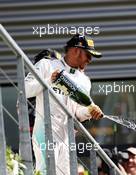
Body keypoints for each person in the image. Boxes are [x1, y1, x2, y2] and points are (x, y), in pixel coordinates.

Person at [25, 34, 104, 175]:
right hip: (44, 130)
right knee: (45, 171)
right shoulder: (46, 65)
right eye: (88, 55)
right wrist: (49, 80)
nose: (90, 60)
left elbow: (78, 113)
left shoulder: (85, 81)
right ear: (76, 50)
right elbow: (25, 90)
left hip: (67, 136)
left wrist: (90, 112)